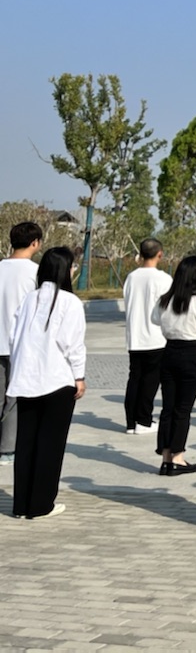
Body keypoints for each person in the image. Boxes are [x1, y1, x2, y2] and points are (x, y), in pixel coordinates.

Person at [6, 246, 85, 519]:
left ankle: (21, 505)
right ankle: (41, 505)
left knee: (26, 442)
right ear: (66, 270)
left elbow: (15, 338)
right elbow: (73, 344)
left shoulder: (29, 299)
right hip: (57, 380)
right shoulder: (70, 302)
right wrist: (80, 376)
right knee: (50, 444)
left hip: (27, 379)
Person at [151, 255, 196, 476]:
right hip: (193, 352)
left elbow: (156, 320)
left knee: (168, 407)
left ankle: (165, 457)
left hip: (170, 350)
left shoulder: (166, 300)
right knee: (183, 409)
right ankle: (177, 458)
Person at [0, 220, 43, 465]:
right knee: (15, 397)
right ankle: (7, 449)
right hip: (20, 343)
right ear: (35, 243)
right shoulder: (35, 272)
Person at [122, 238, 170, 434]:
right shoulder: (164, 279)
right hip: (155, 336)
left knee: (135, 378)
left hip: (134, 335)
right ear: (160, 254)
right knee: (150, 380)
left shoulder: (131, 277)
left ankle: (131, 422)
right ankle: (144, 419)